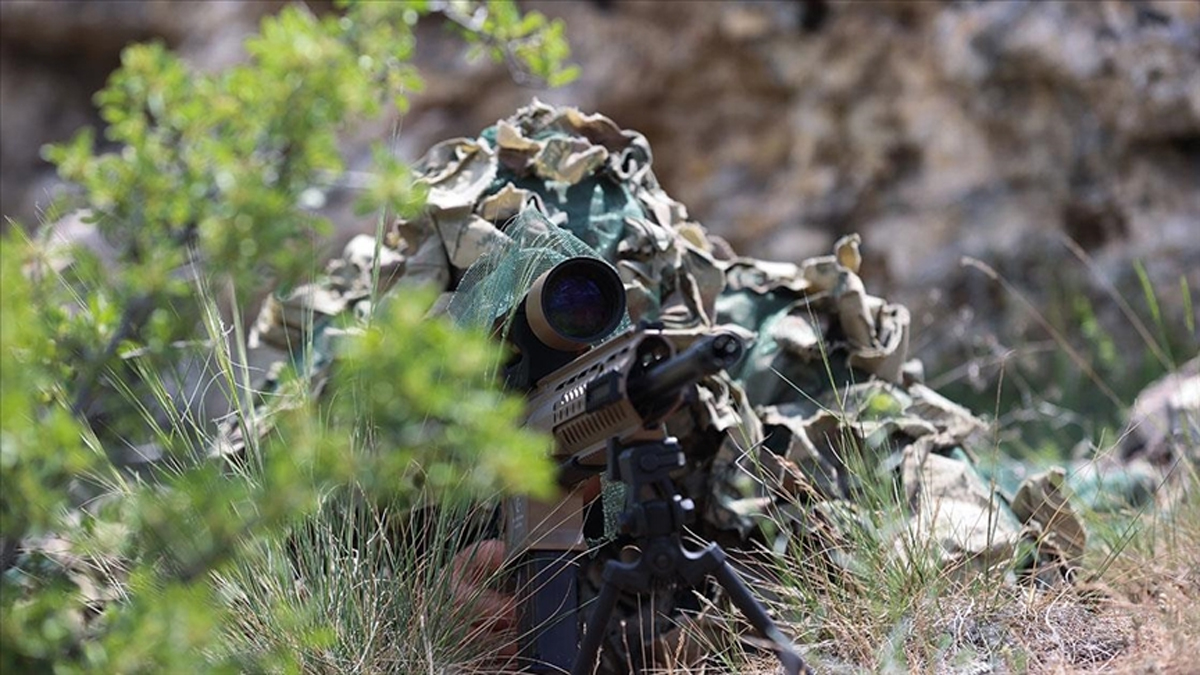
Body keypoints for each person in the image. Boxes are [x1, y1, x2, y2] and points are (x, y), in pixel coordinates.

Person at [224, 100, 1085, 672]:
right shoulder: (366, 399)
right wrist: (412, 605)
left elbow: (921, 466)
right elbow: (235, 570)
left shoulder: (725, 348)